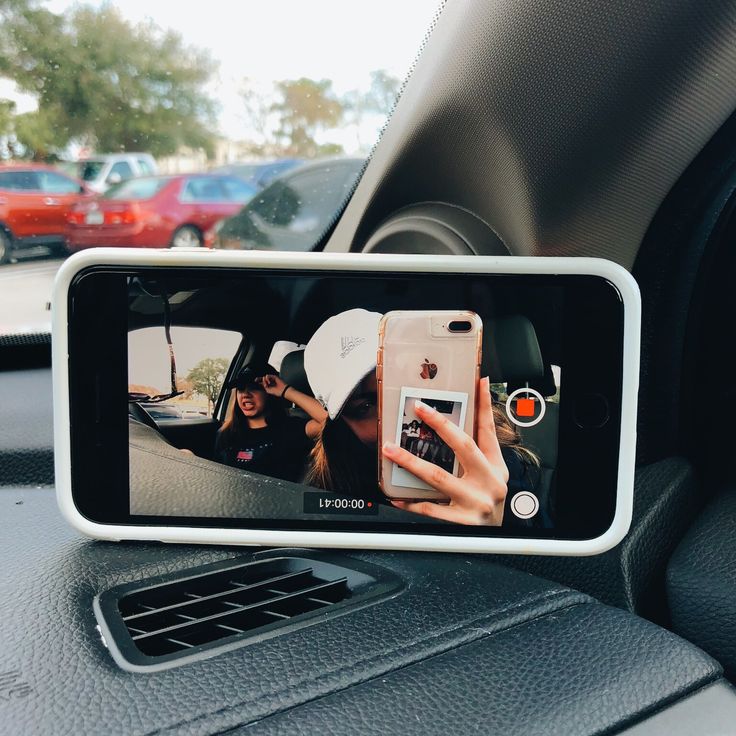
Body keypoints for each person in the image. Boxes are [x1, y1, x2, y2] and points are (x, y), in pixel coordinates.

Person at [303, 308, 541, 527]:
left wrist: (495, 531)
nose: (395, 418)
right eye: (364, 406)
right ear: (344, 427)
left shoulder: (500, 466)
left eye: (403, 387)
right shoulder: (328, 493)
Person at [215, 363, 327, 483]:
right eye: (241, 389)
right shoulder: (226, 433)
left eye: (255, 387)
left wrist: (286, 390)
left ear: (271, 393)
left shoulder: (291, 428)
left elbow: (332, 422)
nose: (245, 395)